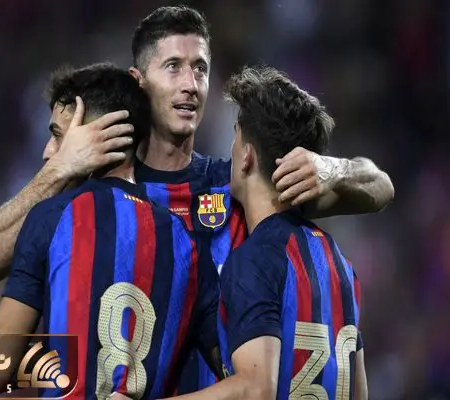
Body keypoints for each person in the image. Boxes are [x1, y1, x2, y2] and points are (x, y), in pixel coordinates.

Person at [0, 5, 393, 392]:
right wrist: (60, 169)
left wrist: (331, 168)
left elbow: (380, 188)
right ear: (138, 80)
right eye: (173, 67)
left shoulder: (238, 184)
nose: (191, 85)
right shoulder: (89, 194)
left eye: (201, 69)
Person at [0, 63, 224, 399]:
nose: (48, 151)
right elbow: (236, 373)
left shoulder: (51, 218)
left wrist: (64, 353)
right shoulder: (188, 243)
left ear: (95, 134)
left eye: (58, 135)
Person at [158, 66, 368, 400]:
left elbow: (256, 389)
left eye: (236, 137)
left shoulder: (253, 259)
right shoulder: (341, 265)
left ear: (247, 156)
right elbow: (359, 392)